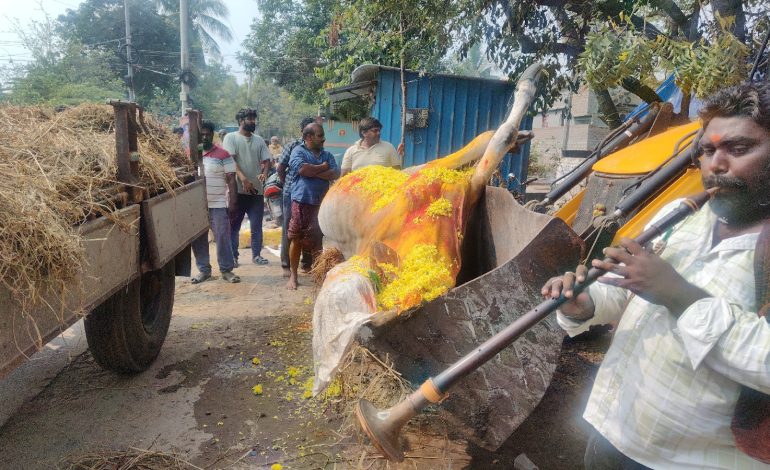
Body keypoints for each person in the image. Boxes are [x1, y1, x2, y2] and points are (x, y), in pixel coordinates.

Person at [541, 82, 770, 469]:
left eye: (739, 148)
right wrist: (585, 304)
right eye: (708, 150)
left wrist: (679, 295)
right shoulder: (679, 217)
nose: (716, 164)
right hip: (610, 431)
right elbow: (625, 290)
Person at [286, 123, 339, 289]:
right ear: (309, 137)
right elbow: (303, 170)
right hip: (301, 202)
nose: (323, 138)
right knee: (296, 238)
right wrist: (323, 167)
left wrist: (314, 171)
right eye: (320, 135)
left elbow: (335, 173)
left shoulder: (327, 154)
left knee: (317, 239)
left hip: (321, 203)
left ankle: (318, 275)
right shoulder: (298, 151)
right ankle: (293, 277)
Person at [190, 120, 240, 284]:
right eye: (202, 134)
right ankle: (204, 271)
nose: (204, 136)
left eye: (207, 134)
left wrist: (232, 202)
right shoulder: (191, 154)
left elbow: (231, 179)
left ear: (213, 135)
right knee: (199, 239)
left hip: (218, 203)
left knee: (222, 236)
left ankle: (226, 270)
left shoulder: (223, 154)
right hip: (197, 207)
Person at [222, 108, 272, 266]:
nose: (252, 121)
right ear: (240, 120)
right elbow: (231, 161)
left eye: (253, 118)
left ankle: (257, 255)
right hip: (237, 191)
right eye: (249, 118)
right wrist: (243, 179)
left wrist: (264, 172)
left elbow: (267, 160)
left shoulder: (259, 140)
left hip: (256, 191)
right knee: (234, 225)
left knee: (256, 225)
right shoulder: (231, 138)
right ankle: (234, 257)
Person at [278, 116, 320, 277]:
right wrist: (290, 185)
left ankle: (306, 263)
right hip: (291, 194)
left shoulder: (318, 148)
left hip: (311, 196)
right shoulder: (293, 146)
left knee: (310, 229)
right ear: (304, 131)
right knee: (290, 229)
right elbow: (281, 168)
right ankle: (286, 265)